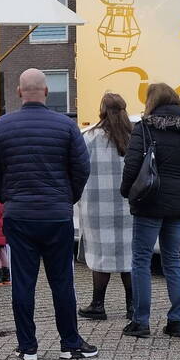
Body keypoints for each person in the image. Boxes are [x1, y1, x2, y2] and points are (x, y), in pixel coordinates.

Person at [0, 69, 97, 360]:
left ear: (20, 92)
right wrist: (67, 197)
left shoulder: (0, 127)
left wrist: (6, 197)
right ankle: (70, 343)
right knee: (62, 281)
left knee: (23, 282)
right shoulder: (66, 126)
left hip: (19, 215)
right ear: (46, 92)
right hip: (57, 215)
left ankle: (27, 346)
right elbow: (82, 168)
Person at [119, 83, 180, 339]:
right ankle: (177, 321)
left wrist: (126, 192)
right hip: (179, 206)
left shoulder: (144, 129)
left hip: (149, 204)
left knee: (142, 260)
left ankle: (141, 322)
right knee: (173, 260)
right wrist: (179, 189)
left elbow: (132, 167)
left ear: (151, 102)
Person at [77, 93, 135, 321]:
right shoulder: (134, 137)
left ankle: (98, 304)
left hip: (97, 207)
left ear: (102, 110)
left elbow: (79, 169)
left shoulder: (90, 137)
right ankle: (132, 306)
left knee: (101, 256)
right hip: (129, 206)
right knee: (129, 257)